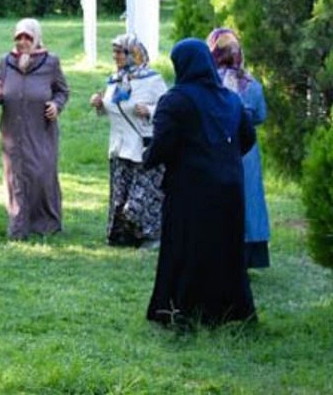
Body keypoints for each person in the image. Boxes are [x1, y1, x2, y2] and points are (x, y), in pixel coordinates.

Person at [145, 38, 257, 328]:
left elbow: (163, 145)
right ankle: (229, 312)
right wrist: (222, 159)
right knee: (225, 247)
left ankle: (182, 309)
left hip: (190, 187)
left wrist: (148, 156)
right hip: (230, 186)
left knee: (186, 245)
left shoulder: (176, 99)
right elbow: (248, 138)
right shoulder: (231, 99)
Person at [0, 18, 69, 239]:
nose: (23, 42)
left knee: (42, 173)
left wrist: (56, 105)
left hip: (40, 128)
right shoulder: (6, 61)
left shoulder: (50, 63)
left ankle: (46, 223)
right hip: (12, 130)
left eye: (28, 37)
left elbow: (62, 91)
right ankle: (19, 225)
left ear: (36, 39)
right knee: (16, 175)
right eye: (19, 37)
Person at [89, 33, 168, 248]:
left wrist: (150, 110)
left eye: (120, 52)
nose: (115, 56)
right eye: (114, 52)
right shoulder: (115, 80)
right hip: (119, 148)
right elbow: (114, 109)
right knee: (119, 199)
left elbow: (168, 108)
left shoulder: (152, 80)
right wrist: (99, 105)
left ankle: (152, 236)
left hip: (143, 147)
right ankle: (124, 238)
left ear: (134, 54)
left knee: (141, 199)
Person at [208, 27, 271, 269]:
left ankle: (218, 254)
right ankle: (248, 254)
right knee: (249, 198)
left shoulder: (210, 83)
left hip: (216, 148)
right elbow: (261, 116)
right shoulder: (251, 84)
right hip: (246, 150)